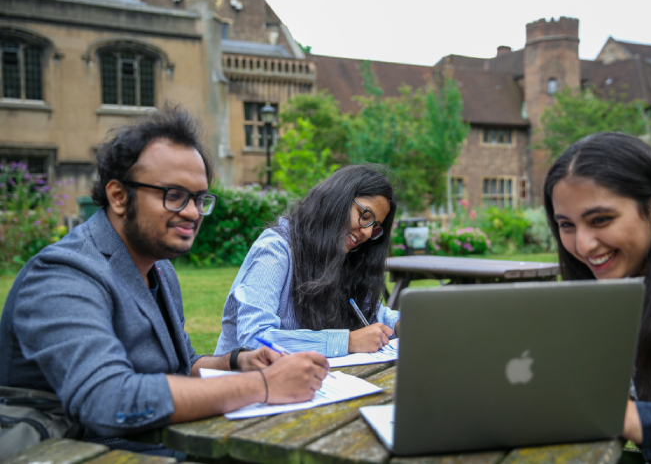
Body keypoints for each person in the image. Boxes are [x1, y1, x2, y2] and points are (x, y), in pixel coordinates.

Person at [0, 106, 329, 456]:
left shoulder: (160, 270)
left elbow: (181, 365)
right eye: (173, 195)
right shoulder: (62, 275)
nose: (190, 212)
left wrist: (237, 363)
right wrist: (262, 385)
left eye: (200, 198)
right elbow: (107, 400)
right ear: (118, 196)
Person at [544, 132, 651, 463]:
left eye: (600, 220)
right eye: (567, 225)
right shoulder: (608, 293)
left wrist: (632, 420)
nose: (583, 246)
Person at [214, 165, 400, 358]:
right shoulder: (276, 250)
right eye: (366, 216)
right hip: (241, 382)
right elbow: (255, 339)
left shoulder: (342, 256)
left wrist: (400, 324)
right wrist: (348, 341)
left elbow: (371, 312)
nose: (368, 233)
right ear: (337, 200)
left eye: (375, 227)